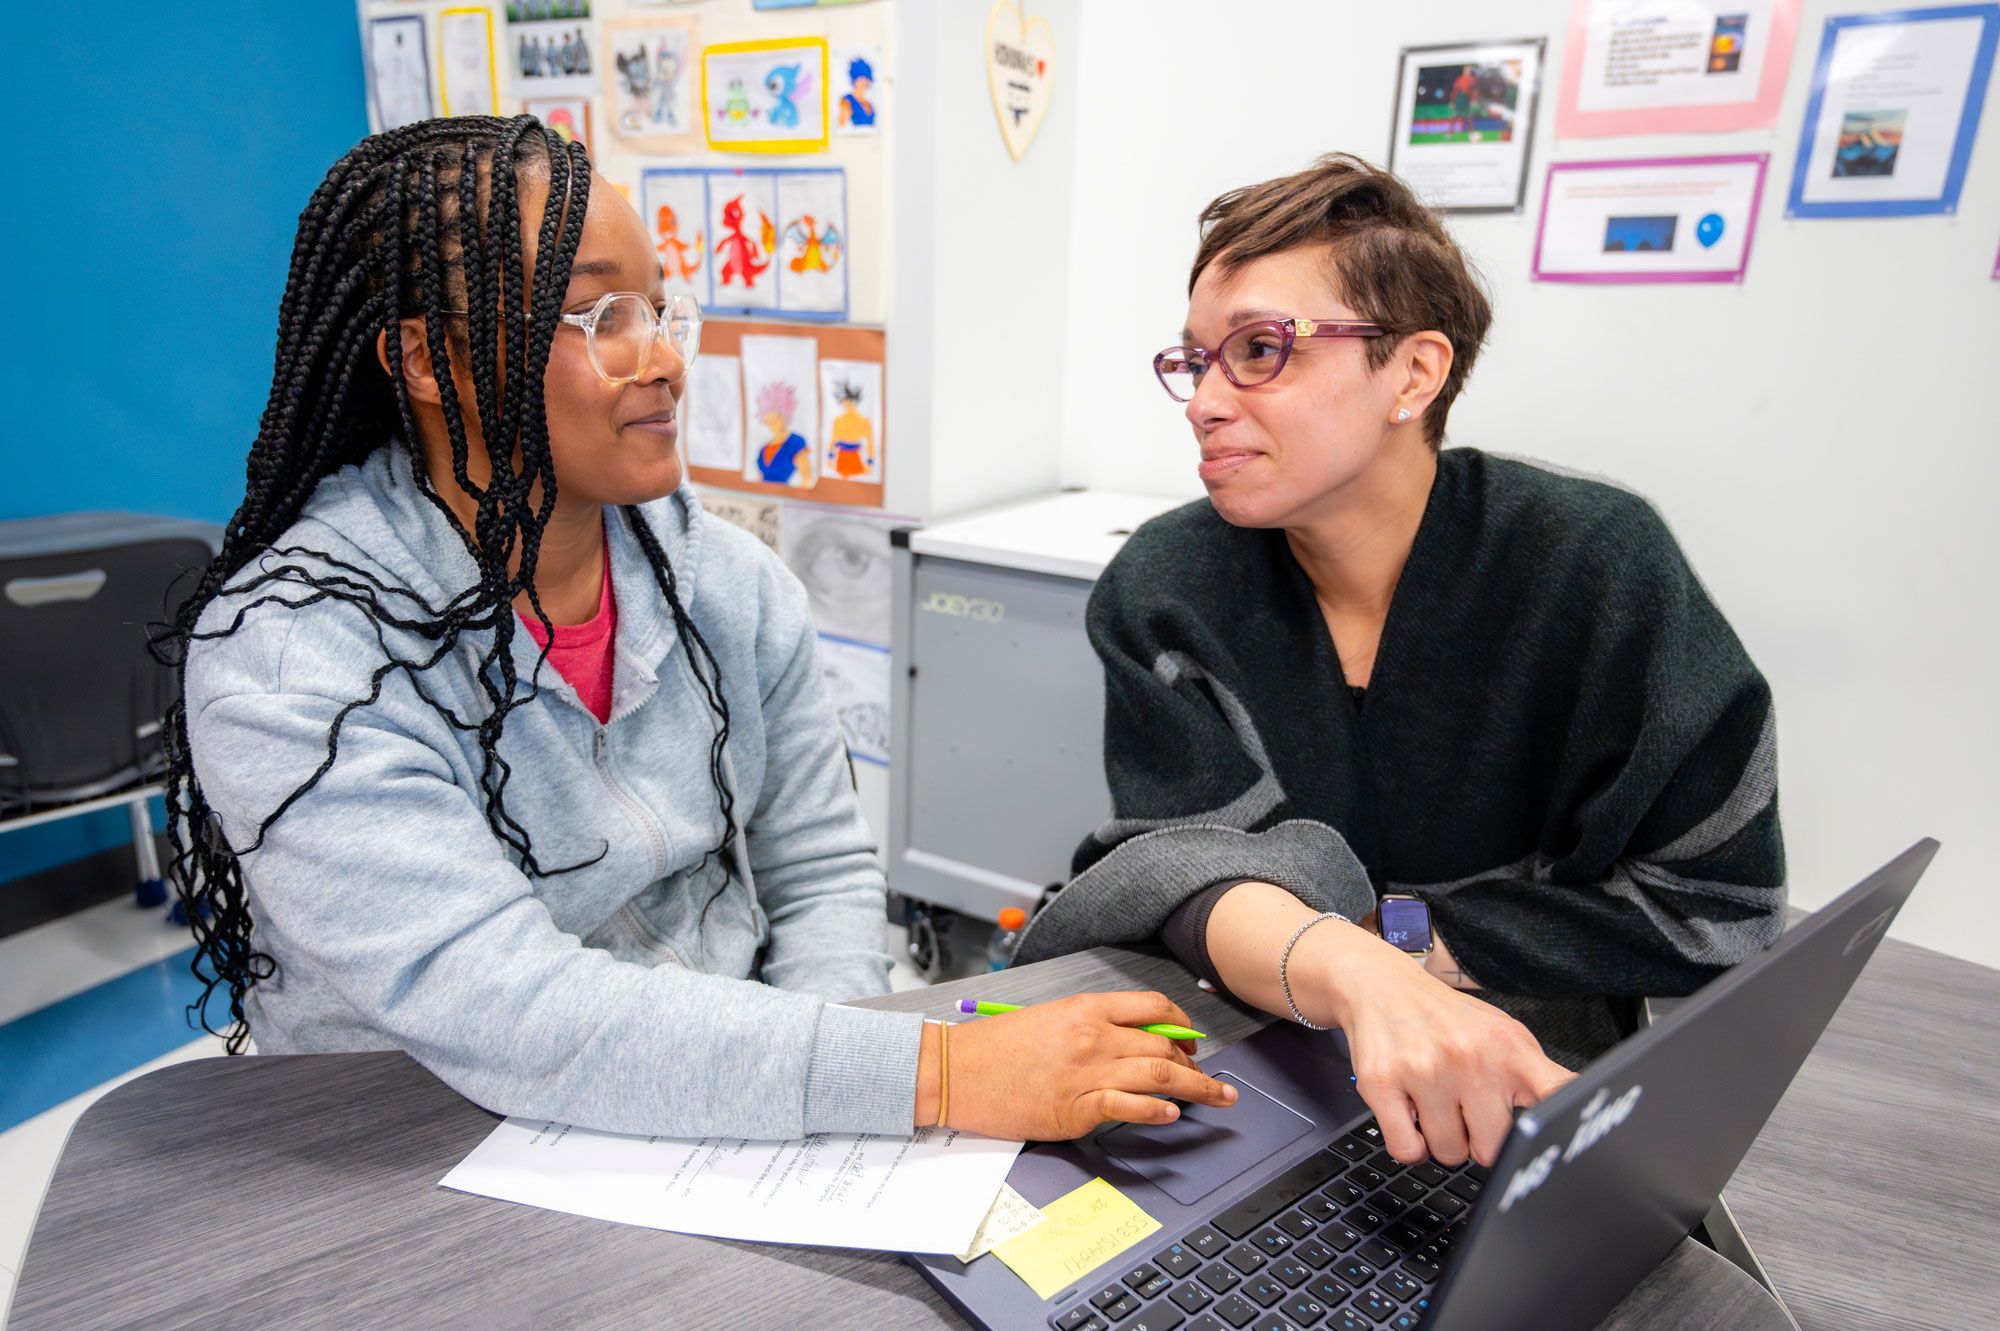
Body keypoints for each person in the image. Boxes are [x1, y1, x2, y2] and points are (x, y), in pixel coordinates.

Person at [163, 116, 1236, 1144]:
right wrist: (936, 1073)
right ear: (429, 362)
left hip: (721, 1117)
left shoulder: (728, 583)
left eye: (659, 309)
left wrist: (833, 1108)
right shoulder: (293, 654)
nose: (664, 358)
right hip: (415, 1145)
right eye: (595, 319)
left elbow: (817, 871)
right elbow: (501, 1005)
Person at [1011, 154, 1785, 1169]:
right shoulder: (1166, 584)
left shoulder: (1594, 567)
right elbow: (1184, 874)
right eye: (1193, 359)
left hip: (1531, 1086)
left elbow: (1717, 909)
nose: (1202, 399)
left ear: (1411, 373)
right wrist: (1358, 971)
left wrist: (1392, 943)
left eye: (1256, 349)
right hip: (1257, 1069)